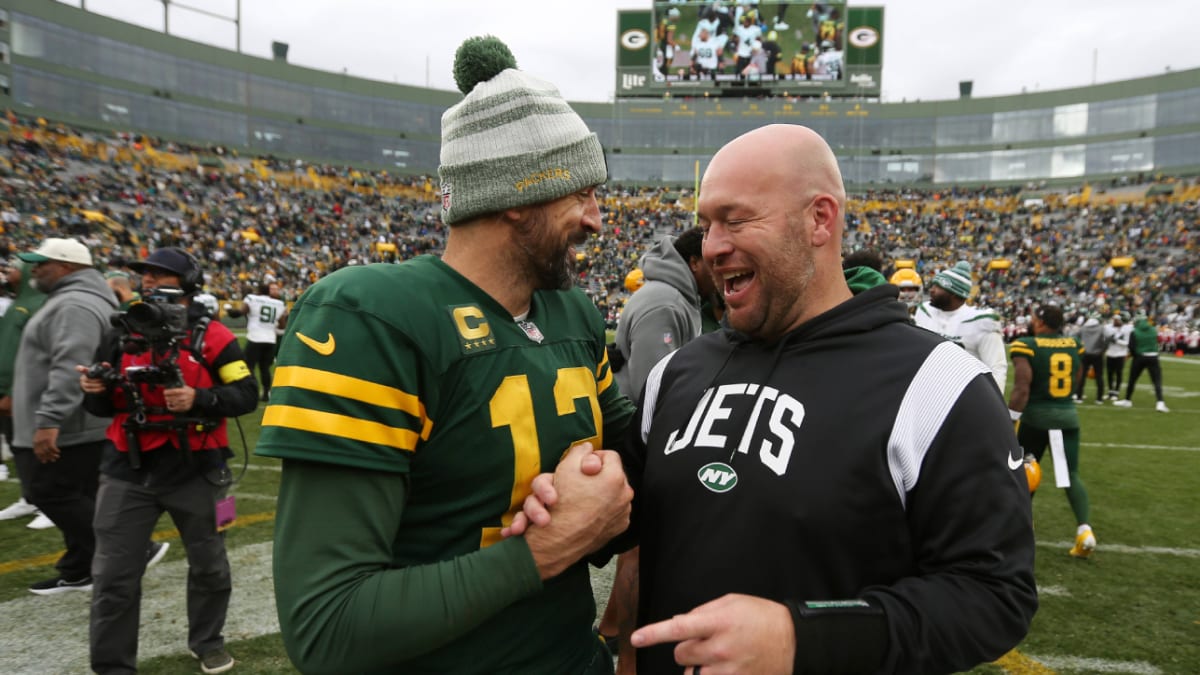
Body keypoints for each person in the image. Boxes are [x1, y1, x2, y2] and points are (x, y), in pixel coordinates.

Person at [511, 124, 1037, 674]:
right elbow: (626, 518)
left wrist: (803, 637)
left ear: (819, 219)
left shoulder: (941, 384)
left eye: (735, 220)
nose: (712, 247)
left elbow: (995, 594)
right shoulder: (678, 372)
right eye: (707, 224)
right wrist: (580, 494)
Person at [255, 36, 636, 675]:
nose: (598, 219)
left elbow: (633, 468)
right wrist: (542, 551)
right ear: (517, 196)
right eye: (582, 192)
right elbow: (327, 627)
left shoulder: (570, 312)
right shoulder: (371, 316)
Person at [80, 246, 257, 675]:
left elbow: (246, 394)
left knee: (210, 565)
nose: (148, 282)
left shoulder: (212, 335)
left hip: (197, 465)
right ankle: (112, 666)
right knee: (113, 577)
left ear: (187, 284)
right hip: (128, 464)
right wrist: (95, 390)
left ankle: (208, 640)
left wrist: (202, 398)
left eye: (159, 275)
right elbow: (104, 410)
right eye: (144, 275)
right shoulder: (121, 332)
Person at [603, 226, 717, 664]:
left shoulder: (678, 297)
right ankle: (628, 657)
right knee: (639, 548)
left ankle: (613, 627)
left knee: (638, 547)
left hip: (648, 435)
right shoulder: (665, 301)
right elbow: (661, 381)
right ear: (693, 262)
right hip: (643, 439)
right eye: (711, 256)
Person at [11, 238, 116, 593]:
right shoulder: (72, 300)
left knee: (47, 490)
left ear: (67, 266)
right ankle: (79, 568)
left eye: (43, 262)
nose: (35, 269)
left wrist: (48, 420)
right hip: (77, 422)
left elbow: (71, 366)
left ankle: (124, 551)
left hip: (68, 424)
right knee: (79, 493)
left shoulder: (74, 304)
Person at [1008, 303, 1097, 557]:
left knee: (1023, 471)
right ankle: (1085, 530)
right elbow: (1077, 376)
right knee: (1069, 474)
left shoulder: (1027, 345)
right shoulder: (1073, 344)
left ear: (1042, 322)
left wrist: (1011, 418)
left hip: (1037, 419)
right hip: (1066, 417)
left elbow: (1022, 388)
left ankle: (1021, 528)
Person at [0, 258, 49, 526]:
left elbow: (31, 355)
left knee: (37, 446)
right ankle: (29, 497)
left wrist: (11, 390)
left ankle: (47, 503)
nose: (8, 271)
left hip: (25, 392)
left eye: (14, 267)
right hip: (7, 390)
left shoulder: (39, 304)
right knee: (18, 446)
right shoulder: (14, 304)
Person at [915, 261, 1008, 394]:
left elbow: (996, 368)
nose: (931, 290)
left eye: (938, 287)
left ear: (953, 292)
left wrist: (994, 408)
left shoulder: (981, 321)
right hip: (925, 391)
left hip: (962, 396)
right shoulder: (924, 311)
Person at [228, 282, 287, 402]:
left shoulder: (252, 299)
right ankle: (266, 393)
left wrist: (229, 310)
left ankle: (250, 393)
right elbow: (282, 325)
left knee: (249, 367)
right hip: (270, 340)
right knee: (265, 368)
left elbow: (238, 313)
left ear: (259, 291)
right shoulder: (279, 303)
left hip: (255, 338)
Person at [1114, 312, 1169, 412]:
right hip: (1153, 356)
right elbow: (1158, 342)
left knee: (1132, 379)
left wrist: (1136, 356)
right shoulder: (1153, 330)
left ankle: (1127, 400)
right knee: (1156, 381)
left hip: (1140, 357)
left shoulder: (1134, 332)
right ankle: (1160, 403)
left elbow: (1131, 347)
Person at [1073, 312, 1109, 404]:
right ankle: (1099, 398)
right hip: (1097, 354)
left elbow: (1074, 337)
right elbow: (1108, 338)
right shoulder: (1101, 328)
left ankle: (1079, 396)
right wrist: (1103, 349)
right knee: (1099, 376)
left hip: (1085, 354)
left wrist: (1080, 348)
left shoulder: (1083, 328)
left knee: (1082, 376)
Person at [1104, 313, 1132, 400]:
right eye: (1114, 319)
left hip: (1120, 354)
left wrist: (1116, 340)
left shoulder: (1126, 329)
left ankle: (1116, 392)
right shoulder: (1108, 327)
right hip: (1110, 353)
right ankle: (1110, 392)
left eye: (1117, 320)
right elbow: (1104, 339)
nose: (1115, 321)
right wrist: (1107, 341)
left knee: (1118, 373)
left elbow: (1127, 343)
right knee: (1109, 373)